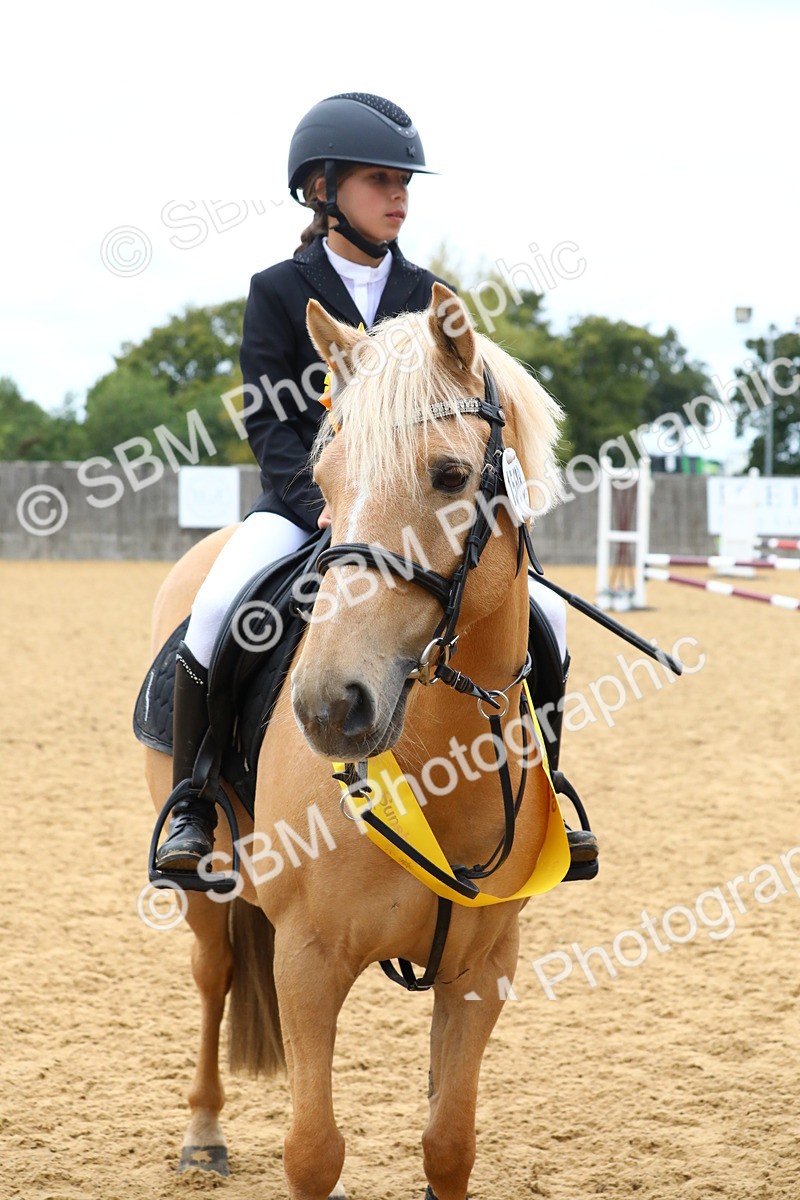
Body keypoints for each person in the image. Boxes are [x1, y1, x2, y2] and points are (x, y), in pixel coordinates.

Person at [154, 91, 587, 878]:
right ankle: (194, 800)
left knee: (547, 614)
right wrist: (322, 504)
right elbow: (267, 420)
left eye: (404, 182)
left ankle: (543, 784)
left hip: (412, 511)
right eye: (380, 180)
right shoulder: (277, 290)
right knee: (214, 610)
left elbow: (465, 415)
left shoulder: (429, 294)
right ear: (323, 190)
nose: (399, 197)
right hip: (308, 504)